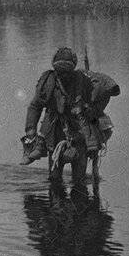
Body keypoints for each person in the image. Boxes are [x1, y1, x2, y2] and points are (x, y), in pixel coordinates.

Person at [20, 47, 95, 182]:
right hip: (54, 133)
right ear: (55, 70)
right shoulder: (48, 83)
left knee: (79, 179)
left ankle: (79, 198)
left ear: (73, 70)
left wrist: (86, 109)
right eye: (60, 72)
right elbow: (35, 106)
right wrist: (31, 129)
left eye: (67, 72)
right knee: (55, 178)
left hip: (78, 133)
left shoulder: (83, 82)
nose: (64, 75)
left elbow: (94, 106)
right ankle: (56, 199)